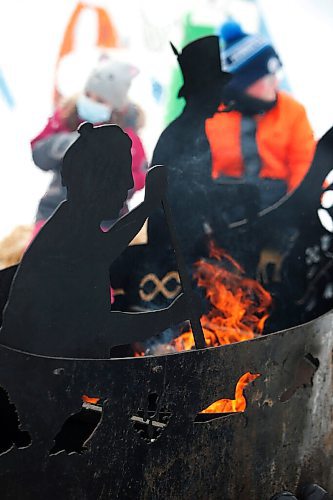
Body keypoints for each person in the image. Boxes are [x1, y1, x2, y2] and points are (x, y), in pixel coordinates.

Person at [1, 123, 192, 359]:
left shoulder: (72, 221)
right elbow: (99, 330)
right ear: (98, 181)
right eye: (122, 175)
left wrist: (149, 205)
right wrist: (169, 316)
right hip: (39, 378)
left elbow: (107, 246)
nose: (130, 185)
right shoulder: (67, 237)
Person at [205, 21, 316, 211]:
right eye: (267, 77)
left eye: (276, 74)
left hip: (281, 212)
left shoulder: (292, 111)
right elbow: (199, 172)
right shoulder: (211, 116)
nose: (276, 82)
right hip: (227, 216)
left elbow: (304, 165)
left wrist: (300, 213)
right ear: (243, 84)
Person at [31, 57, 147, 234]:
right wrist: (63, 144)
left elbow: (140, 174)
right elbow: (38, 153)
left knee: (95, 258)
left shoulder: (126, 138)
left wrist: (113, 181)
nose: (91, 102)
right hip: (54, 209)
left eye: (100, 100)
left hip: (105, 221)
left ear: (116, 107)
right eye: (88, 95)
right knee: (37, 255)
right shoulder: (66, 118)